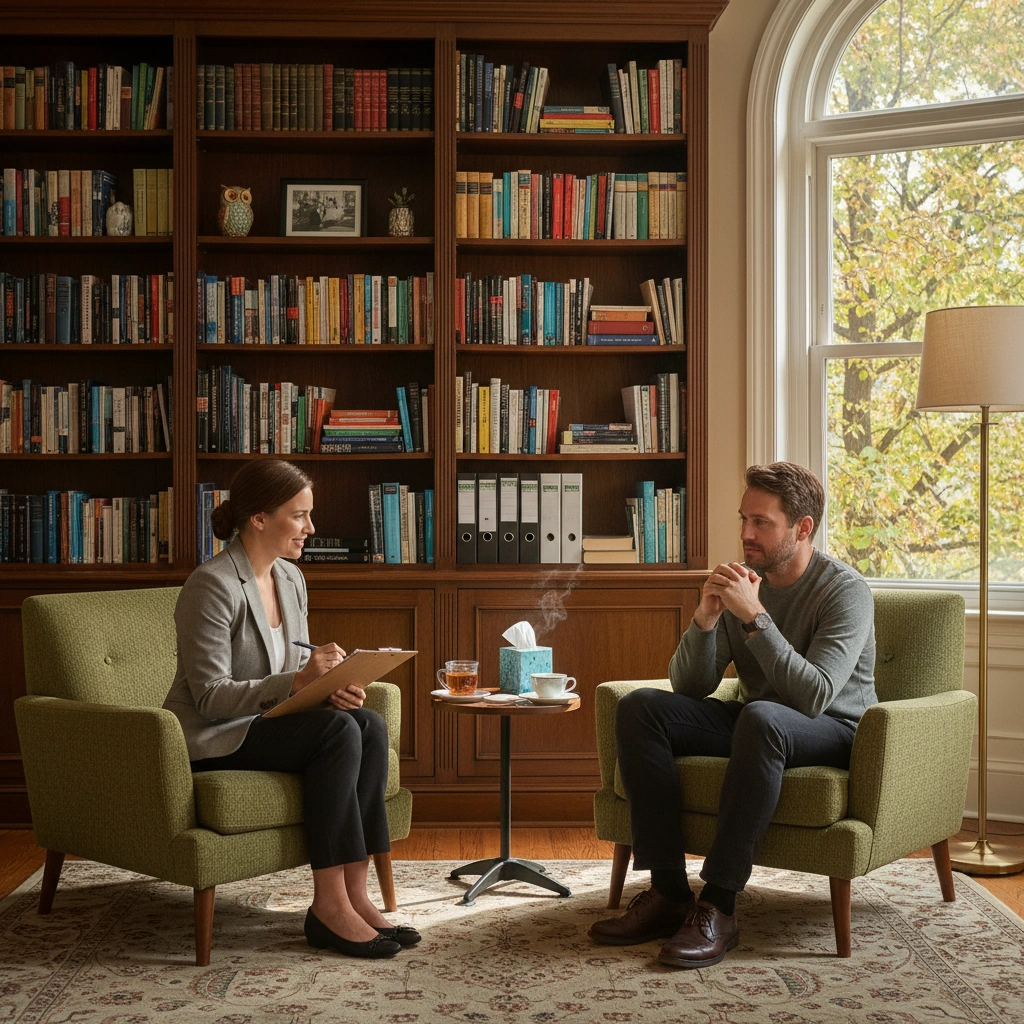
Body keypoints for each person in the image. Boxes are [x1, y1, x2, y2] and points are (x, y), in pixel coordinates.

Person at [589, 462, 876, 968]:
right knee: (641, 709)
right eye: (743, 518)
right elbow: (692, 686)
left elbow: (816, 695)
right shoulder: (744, 582)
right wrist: (706, 618)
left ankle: (719, 906)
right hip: (756, 723)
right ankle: (668, 893)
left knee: (763, 716)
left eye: (761, 522)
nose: (745, 533)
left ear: (802, 527)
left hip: (831, 726)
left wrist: (755, 617)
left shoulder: (844, 591)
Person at [163, 459, 417, 959]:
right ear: (259, 518)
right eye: (300, 516)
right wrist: (300, 681)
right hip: (216, 735)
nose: (311, 528)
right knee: (337, 734)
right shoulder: (210, 585)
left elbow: (298, 667)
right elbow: (210, 696)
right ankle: (327, 906)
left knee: (365, 723)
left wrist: (331, 687)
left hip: (266, 722)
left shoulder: (292, 579)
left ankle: (356, 896)